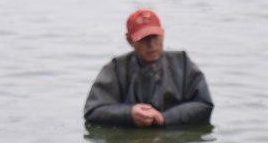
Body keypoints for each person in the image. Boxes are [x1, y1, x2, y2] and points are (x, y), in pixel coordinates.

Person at [84, 9, 214, 129]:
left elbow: (204, 104)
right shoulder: (116, 68)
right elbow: (93, 111)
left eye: (155, 37)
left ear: (163, 34)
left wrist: (165, 118)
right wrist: (129, 114)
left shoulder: (183, 63)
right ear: (130, 41)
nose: (152, 45)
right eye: (144, 39)